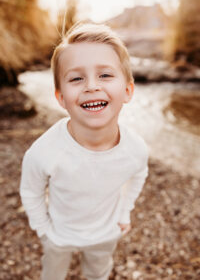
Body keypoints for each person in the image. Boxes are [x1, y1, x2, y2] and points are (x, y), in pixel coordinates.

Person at [20, 21, 149, 280]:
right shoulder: (44, 151)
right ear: (60, 97)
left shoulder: (135, 149)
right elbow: (31, 191)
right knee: (53, 273)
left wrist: (125, 212)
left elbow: (139, 174)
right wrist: (43, 229)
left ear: (127, 90)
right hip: (58, 233)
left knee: (98, 274)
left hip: (105, 233)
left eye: (105, 75)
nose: (91, 86)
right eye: (76, 78)